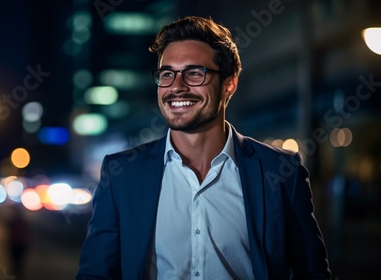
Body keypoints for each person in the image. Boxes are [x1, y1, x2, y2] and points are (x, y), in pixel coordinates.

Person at [77, 16, 331, 279]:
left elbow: (312, 272)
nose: (176, 86)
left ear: (229, 84)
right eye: (167, 74)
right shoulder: (122, 174)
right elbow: (96, 274)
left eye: (195, 73)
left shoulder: (281, 171)